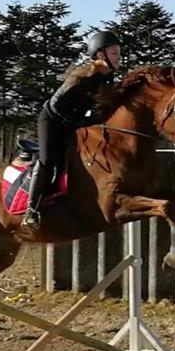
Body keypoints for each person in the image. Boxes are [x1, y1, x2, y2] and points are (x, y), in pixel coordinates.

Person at [23, 30, 122, 229]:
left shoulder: (108, 80)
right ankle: (31, 210)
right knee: (47, 159)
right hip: (51, 120)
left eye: (119, 53)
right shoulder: (82, 78)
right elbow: (56, 106)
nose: (119, 58)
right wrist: (80, 122)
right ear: (100, 55)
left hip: (73, 123)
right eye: (114, 53)